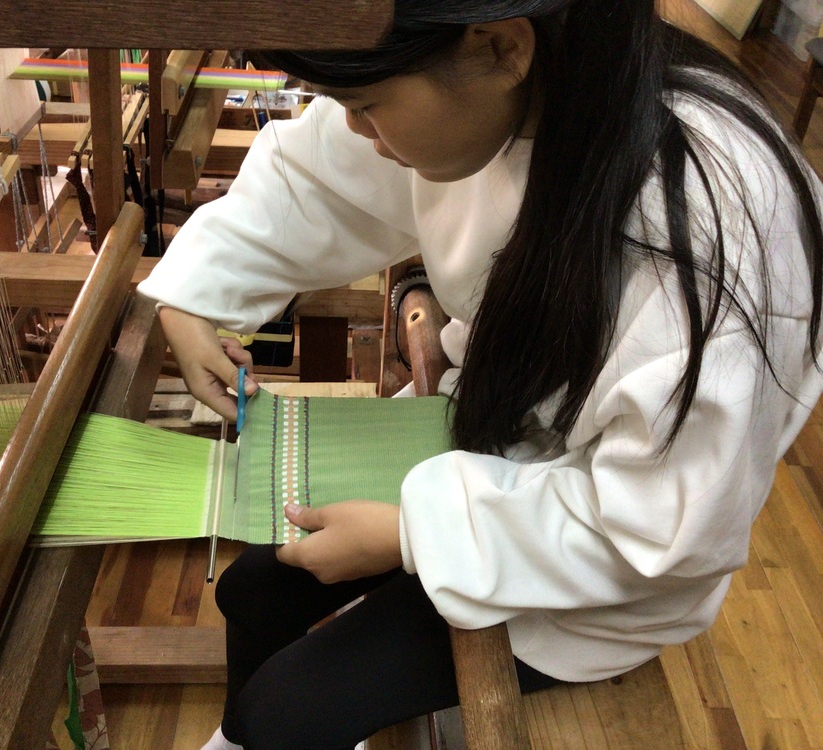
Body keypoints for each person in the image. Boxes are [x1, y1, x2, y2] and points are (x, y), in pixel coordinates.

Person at [137, 1, 823, 748]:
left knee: (282, 711)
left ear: (500, 46)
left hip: (591, 564)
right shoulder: (512, 82)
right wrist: (196, 293)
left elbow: (661, 528)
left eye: (366, 106)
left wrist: (413, 535)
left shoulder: (709, 233)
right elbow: (318, 178)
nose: (356, 132)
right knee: (252, 593)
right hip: (490, 437)